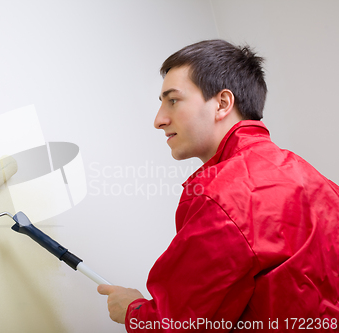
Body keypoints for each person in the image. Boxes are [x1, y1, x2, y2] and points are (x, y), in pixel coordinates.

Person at [98, 39, 339, 332]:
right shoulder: (316, 180)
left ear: (222, 104)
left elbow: (178, 324)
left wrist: (132, 310)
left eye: (173, 100)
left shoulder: (221, 196)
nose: (159, 120)